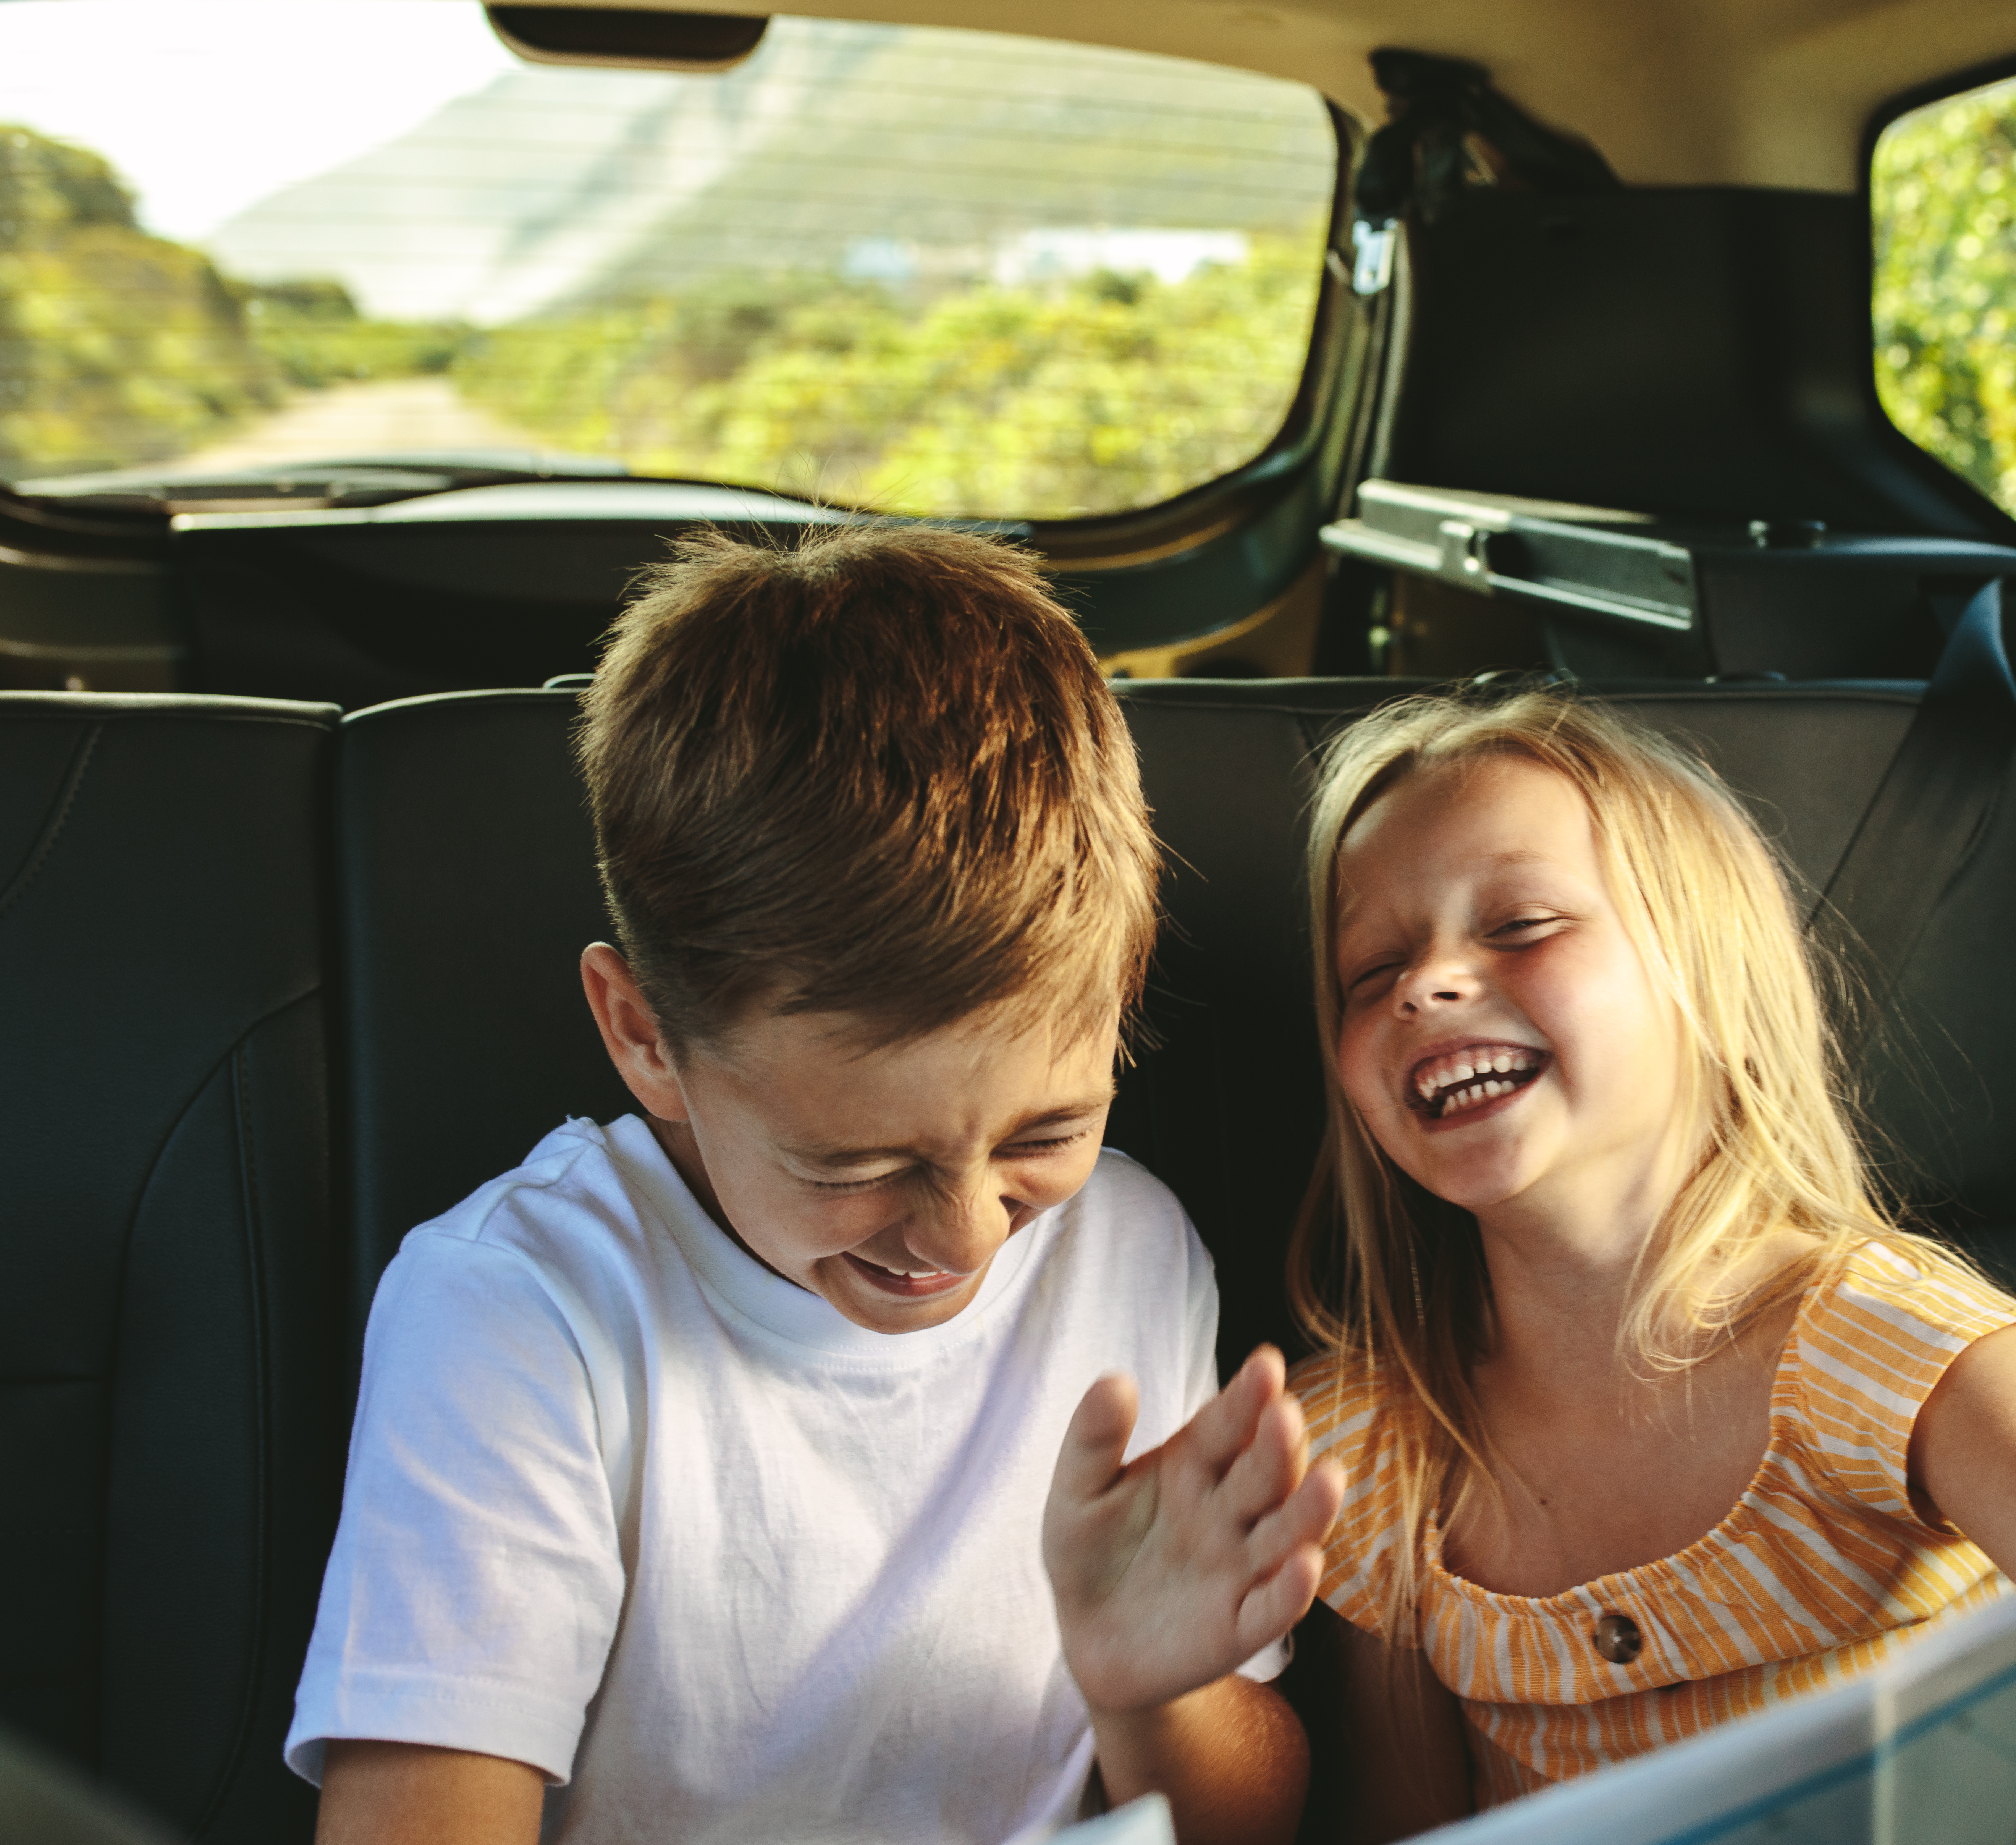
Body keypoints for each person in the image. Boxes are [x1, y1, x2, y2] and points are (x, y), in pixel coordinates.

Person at [287, 524, 1343, 1845]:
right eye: (856, 1164)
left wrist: (1149, 1693)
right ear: (643, 1038)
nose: (965, 1234)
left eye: (1043, 1133)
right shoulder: (521, 1314)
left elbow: (1245, 1824)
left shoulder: (1128, 1249)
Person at [1287, 686, 2016, 1834]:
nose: (1425, 984)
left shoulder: (1876, 1342)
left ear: (1705, 981)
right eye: (1371, 972)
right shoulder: (1374, 1449)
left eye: (1521, 926)